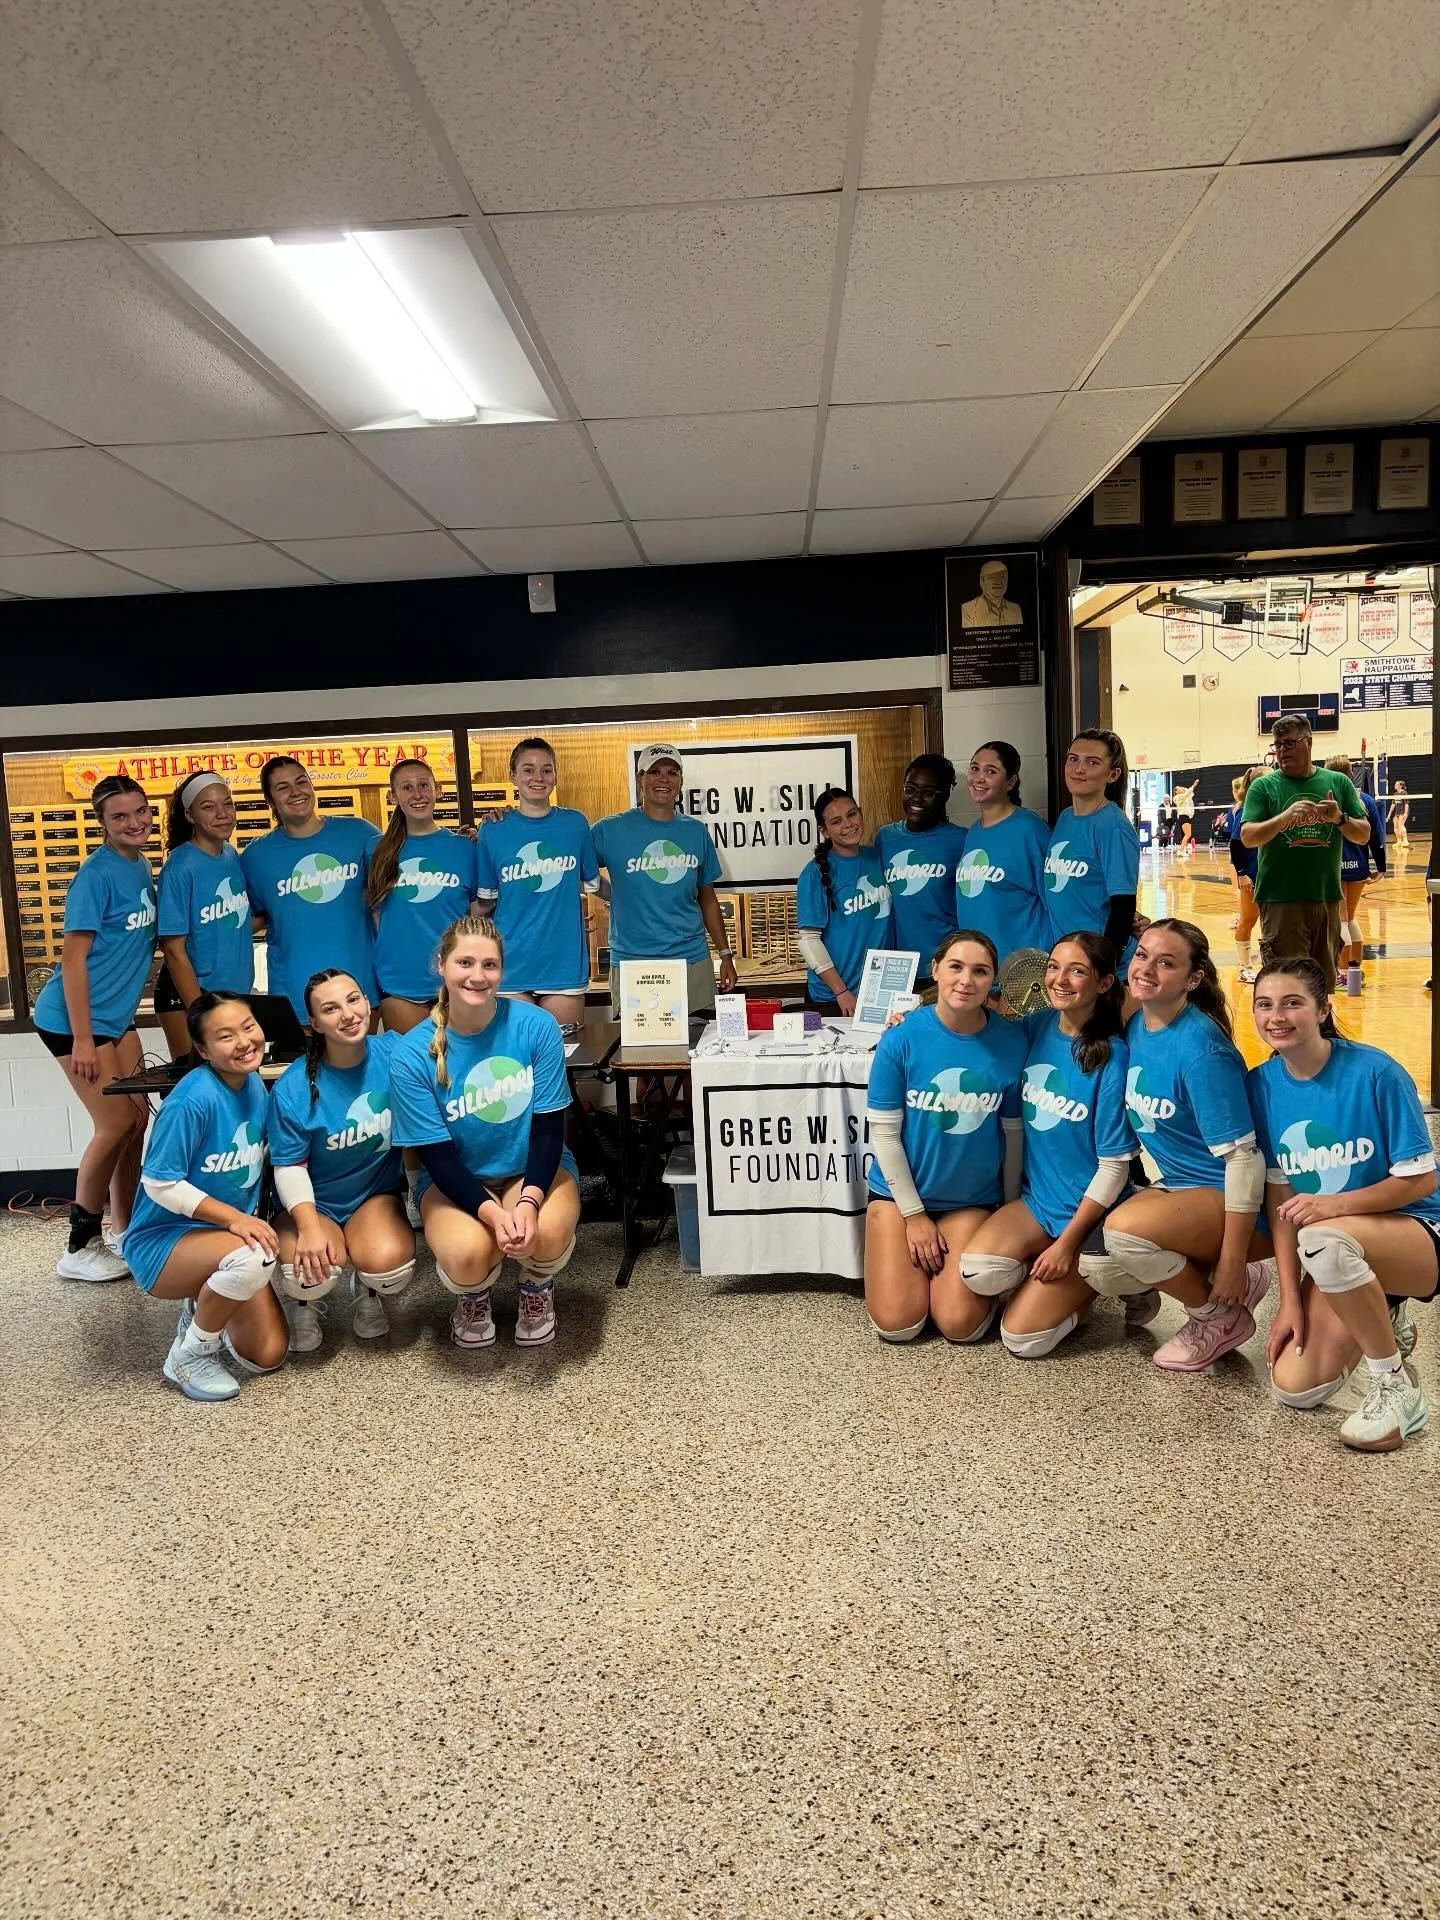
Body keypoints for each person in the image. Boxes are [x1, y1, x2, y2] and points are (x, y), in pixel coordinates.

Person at [1249, 959, 1431, 1450]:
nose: (1277, 1016)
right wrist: (1288, 1301)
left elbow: (1419, 1180)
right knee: (1296, 1387)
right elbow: (1282, 1199)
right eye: (1264, 1005)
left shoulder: (1376, 1072)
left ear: (1323, 1009)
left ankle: (1393, 1386)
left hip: (1417, 1231)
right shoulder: (1261, 1086)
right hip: (1337, 1245)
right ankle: (1384, 1313)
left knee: (1323, 1238)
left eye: (1293, 1003)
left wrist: (1336, 1208)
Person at [1086, 920, 1271, 1372]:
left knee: (1124, 1235)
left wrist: (1230, 1257)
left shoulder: (1202, 1050)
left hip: (1235, 1197)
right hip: (1184, 1188)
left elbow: (1245, 1160)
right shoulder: (1138, 1026)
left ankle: (1217, 1314)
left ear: (1193, 979)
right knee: (1100, 1265)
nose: (1147, 968)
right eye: (1144, 955)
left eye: (1166, 962)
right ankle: (1233, 1278)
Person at [390, 916, 580, 1350]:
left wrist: (529, 1202)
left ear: (502, 971)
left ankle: (536, 1286)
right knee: (469, 1255)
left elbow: (550, 1129)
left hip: (529, 1169)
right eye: (465, 962)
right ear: (441, 964)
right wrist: (492, 1214)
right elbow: (436, 1156)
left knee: (544, 1234)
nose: (478, 976)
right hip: (456, 1178)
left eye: (490, 965)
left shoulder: (536, 1026)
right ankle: (473, 1297)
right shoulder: (411, 1053)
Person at [961, 932, 1143, 1359]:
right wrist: (911, 1015)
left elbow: (1115, 1167)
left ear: (1102, 983)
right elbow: (975, 1031)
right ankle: (1056, 1272)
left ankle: (1104, 1284)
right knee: (979, 1274)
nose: (1060, 979)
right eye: (1054, 967)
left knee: (1023, 1339)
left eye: (1077, 970)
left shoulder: (1112, 1058)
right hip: (1038, 1203)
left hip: (1089, 1215)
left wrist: (1066, 1245)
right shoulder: (1036, 1026)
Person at [862, 930, 1028, 1345]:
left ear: (993, 981)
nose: (966, 980)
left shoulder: (1011, 1042)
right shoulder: (900, 1038)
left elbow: (1012, 1137)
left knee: (959, 1326)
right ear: (935, 969)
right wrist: (914, 1216)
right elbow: (884, 1135)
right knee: (898, 1325)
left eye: (980, 971)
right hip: (901, 1199)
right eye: (955, 966)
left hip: (969, 1201)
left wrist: (1007, 1213)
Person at [120, 992, 286, 1402]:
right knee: (253, 1257)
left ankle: (204, 1302)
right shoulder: (192, 1100)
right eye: (225, 1036)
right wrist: (234, 1219)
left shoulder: (253, 1086)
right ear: (203, 1050)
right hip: (164, 1242)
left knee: (268, 1355)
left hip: (219, 1238)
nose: (244, 1042)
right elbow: (160, 1184)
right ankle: (190, 1355)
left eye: (248, 1027)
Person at [32, 774, 156, 1283]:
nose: (133, 823)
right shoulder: (96, 875)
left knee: (137, 1120)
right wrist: (83, 1038)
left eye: (140, 812)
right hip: (72, 1020)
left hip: (117, 1018)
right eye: (120, 816)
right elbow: (74, 962)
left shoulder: (142, 865)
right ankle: (79, 1246)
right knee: (113, 1125)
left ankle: (124, 1230)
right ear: (102, 823)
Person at [267, 968, 415, 1352]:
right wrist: (310, 1229)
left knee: (391, 1268)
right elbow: (289, 1166)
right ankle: (303, 1302)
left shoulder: (398, 1052)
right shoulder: (294, 1086)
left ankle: (367, 1289)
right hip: (314, 1203)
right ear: (314, 1023)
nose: (347, 1015)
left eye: (353, 1000)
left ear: (368, 1002)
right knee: (307, 1275)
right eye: (330, 1009)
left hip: (373, 1197)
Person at [593, 744, 735, 1016]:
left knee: (699, 1047)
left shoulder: (695, 832)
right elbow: (572, 867)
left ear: (680, 782)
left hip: (691, 959)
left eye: (672, 772)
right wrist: (612, 893)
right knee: (640, 1052)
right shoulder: (609, 830)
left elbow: (707, 897)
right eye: (654, 771)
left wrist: (725, 954)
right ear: (639, 779)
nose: (663, 779)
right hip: (633, 963)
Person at [240, 755, 380, 1023]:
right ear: (270, 801)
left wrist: (463, 839)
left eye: (301, 781)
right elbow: (251, 918)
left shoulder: (360, 834)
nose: (296, 792)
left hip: (358, 988)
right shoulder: (255, 857)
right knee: (306, 1066)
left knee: (357, 1065)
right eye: (282, 788)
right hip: (294, 995)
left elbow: (403, 873)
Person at [475, 736, 600, 1029]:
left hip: (563, 964)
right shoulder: (493, 830)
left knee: (565, 1061)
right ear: (513, 775)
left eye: (547, 769)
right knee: (515, 1064)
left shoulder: (575, 825)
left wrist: (633, 901)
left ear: (555, 775)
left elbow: (595, 885)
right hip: (511, 964)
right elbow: (485, 902)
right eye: (528, 769)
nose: (538, 777)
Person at [1238, 713, 1369, 992]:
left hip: (1326, 898)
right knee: (1287, 987)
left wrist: (1340, 819)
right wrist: (1283, 818)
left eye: (1289, 744)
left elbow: (1363, 833)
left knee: (1322, 987)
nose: (1282, 751)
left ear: (1308, 742)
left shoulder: (1338, 783)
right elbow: (1247, 837)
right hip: (1279, 899)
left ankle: (1323, 1035)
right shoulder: (1264, 786)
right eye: (1277, 745)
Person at [369, 757, 478, 1034]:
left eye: (423, 785)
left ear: (438, 790)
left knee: (459, 1071)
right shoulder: (376, 851)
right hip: (399, 983)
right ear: (393, 796)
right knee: (414, 1072)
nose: (417, 794)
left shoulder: (464, 848)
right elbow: (370, 912)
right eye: (406, 788)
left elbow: (483, 909)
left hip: (458, 981)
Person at [156, 773, 254, 1064]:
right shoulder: (180, 867)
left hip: (230, 993)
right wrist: (200, 1011)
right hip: (189, 997)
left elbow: (231, 923)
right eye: (209, 807)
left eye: (227, 804)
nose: (222, 814)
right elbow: (173, 950)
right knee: (199, 1083)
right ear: (190, 815)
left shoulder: (230, 856)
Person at [1044, 730, 1141, 963]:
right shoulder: (1066, 818)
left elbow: (1123, 907)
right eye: (1073, 759)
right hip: (1069, 958)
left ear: (1113, 774)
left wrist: (1102, 968)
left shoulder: (1113, 826)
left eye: (1092, 762)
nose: (1079, 769)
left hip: (1098, 963)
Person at [795, 786, 892, 1017]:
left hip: (876, 991)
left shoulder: (877, 856)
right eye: (836, 821)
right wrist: (841, 991)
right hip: (835, 996)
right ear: (824, 831)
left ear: (860, 812)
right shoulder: (814, 872)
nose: (848, 824)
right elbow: (808, 940)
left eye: (851, 814)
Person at [953, 741, 1051, 966]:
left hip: (1024, 970)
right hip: (983, 968)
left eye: (991, 771)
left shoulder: (1030, 829)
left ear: (1011, 782)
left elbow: (1055, 901)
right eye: (974, 768)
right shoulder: (974, 832)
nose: (979, 777)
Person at [876, 756, 968, 986]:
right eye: (910, 789)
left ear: (945, 794)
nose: (916, 799)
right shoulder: (885, 838)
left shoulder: (961, 840)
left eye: (928, 792)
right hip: (896, 968)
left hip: (944, 967)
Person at [1326, 754, 1386, 984]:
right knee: (1351, 918)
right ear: (1351, 774)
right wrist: (1380, 865)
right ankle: (1356, 972)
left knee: (1340, 920)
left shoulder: (1329, 800)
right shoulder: (1366, 800)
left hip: (1336, 867)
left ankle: (1343, 973)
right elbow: (1377, 836)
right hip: (1359, 866)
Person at [1225, 769, 1262, 982]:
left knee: (1268, 923)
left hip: (1270, 873)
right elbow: (1236, 843)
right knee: (1248, 919)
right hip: (1252, 872)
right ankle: (1244, 967)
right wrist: (1242, 873)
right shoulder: (1246, 809)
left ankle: (1268, 965)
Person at [960, 559, 1024, 628]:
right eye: (992, 577)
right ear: (982, 581)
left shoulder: (1016, 609)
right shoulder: (967, 610)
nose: (998, 582)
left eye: (1002, 577)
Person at [1172, 782, 1195, 860]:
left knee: (1188, 834)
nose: (1181, 788)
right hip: (1183, 816)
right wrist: (1192, 786)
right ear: (1176, 791)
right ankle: (1180, 851)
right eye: (1179, 788)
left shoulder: (1185, 796)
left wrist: (1192, 786)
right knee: (1187, 834)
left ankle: (1183, 850)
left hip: (1188, 816)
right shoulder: (1177, 797)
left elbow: (1190, 793)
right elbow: (1186, 794)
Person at [1387, 779, 1410, 850]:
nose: (1395, 785)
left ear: (1400, 786)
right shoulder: (1395, 794)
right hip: (1397, 812)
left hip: (1402, 812)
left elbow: (1406, 804)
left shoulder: (1404, 793)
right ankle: (1399, 841)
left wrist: (1405, 813)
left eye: (1396, 784)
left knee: (1401, 826)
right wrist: (1389, 815)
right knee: (1395, 827)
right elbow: (1393, 805)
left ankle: (1405, 841)